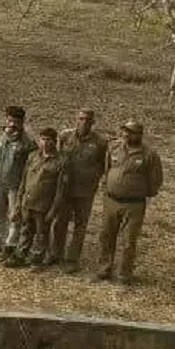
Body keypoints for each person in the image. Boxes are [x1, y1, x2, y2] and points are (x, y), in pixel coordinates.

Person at [96, 121, 162, 283]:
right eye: (125, 131)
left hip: (134, 205)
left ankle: (124, 274)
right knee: (106, 236)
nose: (126, 134)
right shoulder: (114, 148)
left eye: (131, 132)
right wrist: (108, 186)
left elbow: (156, 179)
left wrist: (141, 192)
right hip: (111, 200)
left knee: (128, 241)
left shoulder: (149, 154)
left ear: (139, 135)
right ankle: (104, 269)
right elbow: (107, 168)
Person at [50, 109, 110, 271]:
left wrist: (94, 179)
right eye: (81, 119)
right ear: (76, 119)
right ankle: (56, 253)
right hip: (65, 188)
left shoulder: (100, 142)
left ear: (93, 122)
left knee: (80, 224)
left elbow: (103, 165)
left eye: (88, 120)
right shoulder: (65, 136)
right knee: (60, 221)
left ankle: (72, 258)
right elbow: (57, 157)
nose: (84, 122)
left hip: (85, 190)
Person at [3, 127, 64, 268]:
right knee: (26, 229)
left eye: (48, 139)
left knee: (42, 233)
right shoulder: (33, 156)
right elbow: (24, 181)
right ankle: (21, 255)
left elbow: (61, 190)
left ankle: (37, 258)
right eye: (42, 139)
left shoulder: (60, 161)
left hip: (44, 205)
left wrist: (53, 210)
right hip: (28, 201)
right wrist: (19, 202)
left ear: (55, 142)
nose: (45, 143)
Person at [0, 106, 36, 250]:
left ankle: (11, 243)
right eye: (9, 121)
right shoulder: (2, 136)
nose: (12, 125)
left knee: (14, 216)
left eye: (16, 122)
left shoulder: (27, 142)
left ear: (22, 122)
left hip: (16, 185)